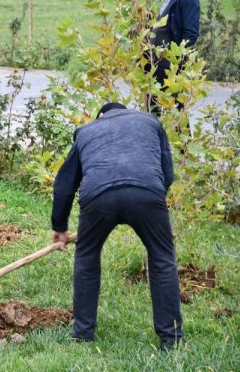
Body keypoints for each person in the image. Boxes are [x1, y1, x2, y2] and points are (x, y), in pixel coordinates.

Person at [51, 102, 184, 349]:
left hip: (98, 197)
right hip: (148, 193)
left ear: (101, 115)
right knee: (162, 258)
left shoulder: (86, 131)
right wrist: (149, 202)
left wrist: (59, 227)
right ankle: (171, 338)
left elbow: (64, 185)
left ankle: (83, 333)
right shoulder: (150, 122)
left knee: (87, 256)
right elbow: (167, 173)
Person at [147, 0, 200, 114]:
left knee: (174, 116)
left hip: (171, 70)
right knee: (152, 115)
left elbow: (190, 35)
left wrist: (174, 59)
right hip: (151, 68)